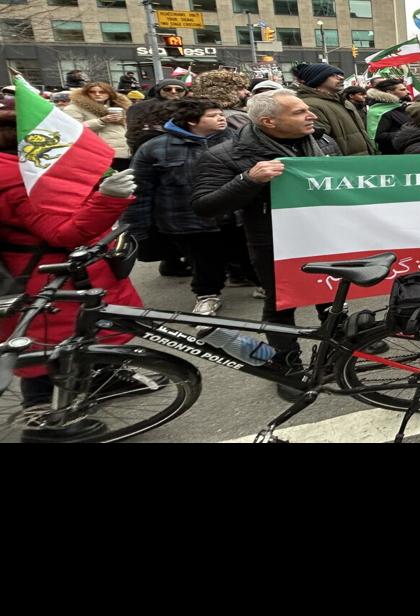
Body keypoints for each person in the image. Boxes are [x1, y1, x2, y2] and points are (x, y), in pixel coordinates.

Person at [191, 89, 343, 399]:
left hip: (327, 235)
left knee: (332, 298)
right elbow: (204, 206)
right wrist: (248, 180)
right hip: (273, 243)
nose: (311, 115)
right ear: (268, 121)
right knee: (281, 305)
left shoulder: (324, 143)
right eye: (300, 112)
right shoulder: (226, 155)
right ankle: (287, 367)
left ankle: (338, 354)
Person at [2, 95, 144, 423]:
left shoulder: (19, 171)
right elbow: (64, 233)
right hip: (50, 276)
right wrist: (107, 200)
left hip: (56, 271)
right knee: (50, 349)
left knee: (77, 340)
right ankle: (44, 420)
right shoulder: (19, 180)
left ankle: (99, 384)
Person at [129, 99, 244, 317]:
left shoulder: (237, 140)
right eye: (213, 115)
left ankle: (262, 286)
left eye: (221, 113)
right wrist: (137, 228)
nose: (221, 118)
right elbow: (140, 190)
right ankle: (207, 296)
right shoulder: (155, 147)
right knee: (203, 260)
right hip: (186, 219)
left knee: (247, 255)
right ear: (192, 121)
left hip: (235, 216)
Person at [291, 63, 370, 155]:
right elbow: (323, 145)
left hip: (362, 161)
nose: (341, 78)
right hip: (342, 166)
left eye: (340, 75)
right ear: (317, 79)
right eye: (333, 75)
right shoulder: (310, 105)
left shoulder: (343, 102)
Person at [62, 82, 132, 170]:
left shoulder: (120, 106)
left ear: (109, 93)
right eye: (92, 92)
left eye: (102, 92)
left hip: (124, 152)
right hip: (97, 153)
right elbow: (74, 129)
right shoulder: (74, 108)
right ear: (86, 93)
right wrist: (101, 121)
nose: (97, 94)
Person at [125, 79, 189, 157]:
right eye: (167, 89)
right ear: (159, 90)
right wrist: (136, 150)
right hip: (148, 149)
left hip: (183, 149)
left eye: (179, 89)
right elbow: (132, 131)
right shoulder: (140, 107)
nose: (173, 91)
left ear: (185, 92)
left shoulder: (190, 106)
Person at [366, 78, 413, 154]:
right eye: (402, 90)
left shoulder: (399, 107)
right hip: (390, 155)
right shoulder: (378, 111)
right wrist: (408, 133)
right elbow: (378, 136)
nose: (408, 92)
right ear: (389, 92)